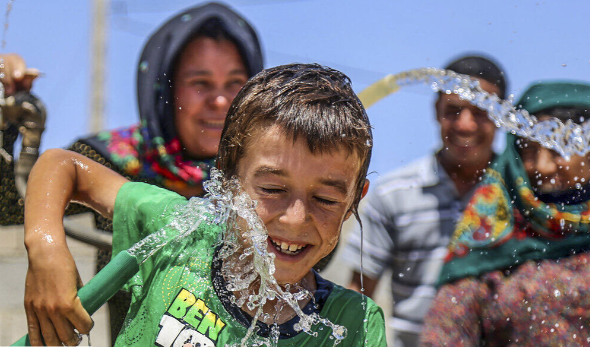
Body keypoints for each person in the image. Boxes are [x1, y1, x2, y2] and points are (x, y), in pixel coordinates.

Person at [23, 63, 386, 346]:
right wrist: (46, 249)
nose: (295, 219)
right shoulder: (180, 232)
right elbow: (63, 165)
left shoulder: (352, 323)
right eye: (273, 189)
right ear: (227, 177)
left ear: (355, 199)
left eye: (325, 199)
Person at [0, 2, 264, 343]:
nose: (219, 100)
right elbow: (6, 205)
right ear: (165, 88)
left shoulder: (269, 179)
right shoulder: (111, 163)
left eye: (235, 83)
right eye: (200, 83)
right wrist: (45, 246)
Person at [340, 54, 508, 346]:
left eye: (480, 111)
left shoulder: (520, 196)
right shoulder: (395, 194)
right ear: (436, 111)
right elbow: (360, 291)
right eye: (453, 111)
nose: (465, 125)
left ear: (502, 115)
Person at [420, 81, 590, 346]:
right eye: (529, 150)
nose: (542, 167)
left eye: (558, 149)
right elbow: (444, 331)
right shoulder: (491, 234)